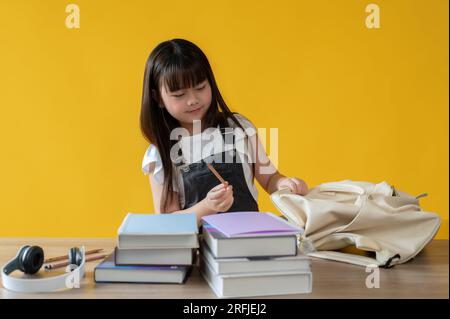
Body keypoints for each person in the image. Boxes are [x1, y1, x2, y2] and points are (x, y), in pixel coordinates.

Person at [140, 38, 308, 225]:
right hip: (200, 249)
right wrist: (207, 207)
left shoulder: (238, 128)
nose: (193, 100)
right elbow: (167, 222)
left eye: (200, 87)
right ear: (158, 98)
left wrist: (284, 184)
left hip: (250, 238)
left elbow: (269, 177)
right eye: (180, 95)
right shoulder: (161, 154)